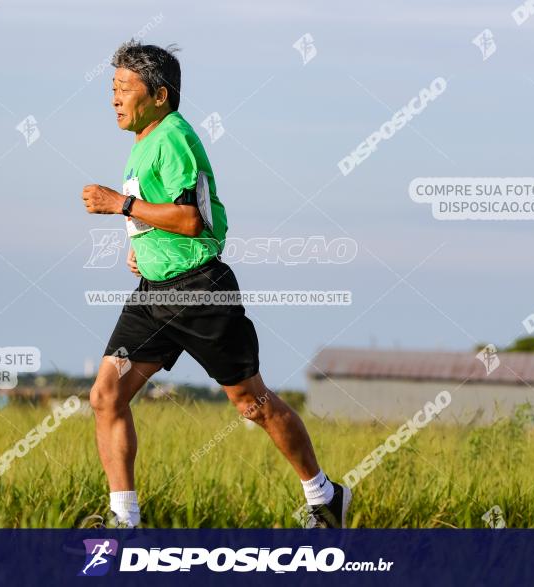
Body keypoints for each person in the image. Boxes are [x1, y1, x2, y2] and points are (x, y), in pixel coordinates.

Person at [80, 40, 350, 529]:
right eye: (111, 89)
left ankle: (324, 495)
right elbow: (161, 217)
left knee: (252, 404)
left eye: (123, 89)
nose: (114, 99)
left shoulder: (173, 138)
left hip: (200, 292)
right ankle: (125, 523)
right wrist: (141, 245)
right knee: (107, 394)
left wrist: (118, 205)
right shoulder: (144, 142)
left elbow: (191, 219)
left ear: (159, 95)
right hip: (155, 296)